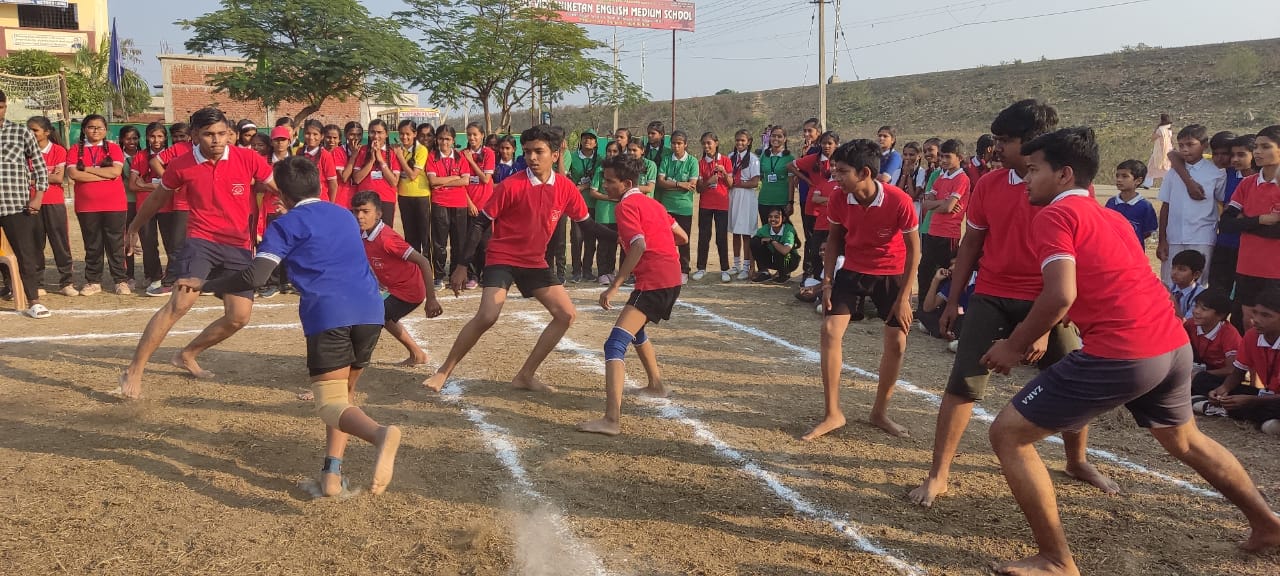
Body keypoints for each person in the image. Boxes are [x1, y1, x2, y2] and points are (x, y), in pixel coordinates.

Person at [982, 126, 1280, 575]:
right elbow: (1109, 282)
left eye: (1033, 170)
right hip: (1171, 344)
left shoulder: (1055, 216)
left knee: (1008, 434)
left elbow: (1060, 294)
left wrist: (1014, 344)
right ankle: (1268, 523)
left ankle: (1055, 559)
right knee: (1185, 440)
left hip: (1124, 352)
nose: (1026, 180)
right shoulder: (1110, 217)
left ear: (1064, 174)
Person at [908, 100, 1115, 509]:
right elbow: (972, 244)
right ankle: (939, 474)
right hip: (992, 295)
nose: (996, 148)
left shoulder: (1070, 188)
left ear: (1034, 141)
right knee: (963, 383)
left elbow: (1078, 262)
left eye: (1006, 140)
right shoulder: (988, 184)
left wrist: (1044, 327)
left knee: (1072, 381)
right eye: (996, 139)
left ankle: (1076, 460)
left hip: (1048, 301)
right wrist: (953, 298)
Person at [194, 156, 403, 497]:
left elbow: (256, 276)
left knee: (330, 404)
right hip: (370, 310)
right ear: (318, 184)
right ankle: (331, 474)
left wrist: (205, 284)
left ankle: (380, 434)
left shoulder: (285, 224)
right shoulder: (344, 215)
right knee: (343, 398)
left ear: (282, 194)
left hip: (329, 314)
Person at [117, 107, 279, 399]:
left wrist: (300, 207)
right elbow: (157, 198)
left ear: (229, 133)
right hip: (201, 241)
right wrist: (133, 227)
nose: (216, 140)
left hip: (239, 246)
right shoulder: (182, 165)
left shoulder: (248, 158)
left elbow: (278, 188)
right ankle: (134, 370)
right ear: (194, 135)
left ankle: (187, 354)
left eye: (221, 133)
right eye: (208, 134)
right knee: (179, 304)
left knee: (239, 317)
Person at [422, 125, 593, 394]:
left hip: (534, 261)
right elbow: (480, 223)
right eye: (527, 152)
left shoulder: (566, 187)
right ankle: (444, 371)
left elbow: (587, 225)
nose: (532, 157)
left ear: (555, 155)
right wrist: (462, 265)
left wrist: (623, 238)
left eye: (539, 151)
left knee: (566, 315)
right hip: (503, 257)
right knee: (487, 316)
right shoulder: (511, 185)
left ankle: (525, 376)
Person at [804, 139, 919, 441]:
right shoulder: (839, 198)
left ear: (864, 173)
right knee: (830, 330)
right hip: (853, 270)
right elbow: (833, 241)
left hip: (891, 273)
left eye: (842, 172)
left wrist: (905, 297)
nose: (836, 177)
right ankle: (833, 413)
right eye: (835, 171)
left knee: (897, 343)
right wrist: (827, 282)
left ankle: (879, 413)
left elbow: (914, 251)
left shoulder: (899, 200)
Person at [577, 154, 687, 436]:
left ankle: (611, 420)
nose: (605, 185)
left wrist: (615, 285)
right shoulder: (654, 204)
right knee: (636, 330)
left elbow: (638, 245)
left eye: (610, 181)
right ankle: (656, 385)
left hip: (654, 281)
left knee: (614, 344)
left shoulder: (625, 206)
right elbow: (682, 237)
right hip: (671, 278)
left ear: (626, 184)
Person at [350, 191, 443, 366]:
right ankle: (417, 354)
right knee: (382, 315)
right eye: (356, 211)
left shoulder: (387, 239)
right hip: (393, 288)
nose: (359, 216)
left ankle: (352, 362)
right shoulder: (363, 234)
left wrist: (431, 299)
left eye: (365, 211)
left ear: (378, 214)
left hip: (409, 291)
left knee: (372, 315)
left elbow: (423, 261)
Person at [1218, 125, 1280, 331]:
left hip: (1276, 270)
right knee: (1249, 322)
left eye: (1265, 147)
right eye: (1256, 147)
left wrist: (1244, 224)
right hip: (1248, 266)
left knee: (1272, 324)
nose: (1258, 152)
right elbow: (1226, 224)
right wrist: (1260, 220)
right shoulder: (1247, 184)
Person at [67, 114, 130, 296]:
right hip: (87, 206)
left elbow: (115, 172)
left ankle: (120, 280)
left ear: (106, 130)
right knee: (92, 245)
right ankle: (93, 281)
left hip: (114, 205)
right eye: (91, 127)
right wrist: (103, 174)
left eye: (99, 127)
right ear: (84, 129)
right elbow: (74, 174)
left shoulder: (114, 148)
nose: (95, 131)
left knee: (115, 244)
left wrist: (87, 169)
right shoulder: (75, 149)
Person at [0, 89, 50, 317]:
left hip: (16, 205)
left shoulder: (21, 132)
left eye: (1, 107)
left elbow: (39, 166)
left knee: (25, 254)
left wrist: (38, 197)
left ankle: (34, 301)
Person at [1202, 288, 1280, 434]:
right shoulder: (1252, 336)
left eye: (1266, 315)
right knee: (1203, 379)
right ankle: (1265, 420)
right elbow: (1238, 372)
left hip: (1272, 400)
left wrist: (1250, 400)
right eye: (1255, 312)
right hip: (1267, 396)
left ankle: (1211, 407)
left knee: (1258, 404)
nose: (1256, 319)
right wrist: (1223, 390)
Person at [1157, 124, 1223, 286]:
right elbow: (1165, 206)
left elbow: (1222, 203)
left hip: (1202, 237)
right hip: (1174, 237)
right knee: (1170, 282)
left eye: (1190, 144)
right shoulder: (1173, 173)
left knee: (1198, 283)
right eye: (1181, 145)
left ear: (1204, 145)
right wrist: (1162, 240)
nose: (1185, 149)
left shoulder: (1216, 173)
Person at [916, 139, 970, 312]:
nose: (943, 160)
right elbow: (926, 204)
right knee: (925, 271)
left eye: (948, 156)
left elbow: (947, 208)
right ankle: (923, 308)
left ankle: (943, 308)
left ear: (960, 157)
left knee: (946, 272)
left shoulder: (962, 179)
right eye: (942, 156)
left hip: (948, 234)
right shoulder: (940, 177)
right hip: (933, 230)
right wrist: (943, 202)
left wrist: (940, 204)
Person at [143, 123, 194, 297]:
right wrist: (170, 180)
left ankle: (203, 280)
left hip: (208, 204)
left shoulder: (215, 149)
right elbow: (154, 161)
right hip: (183, 204)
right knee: (177, 244)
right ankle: (170, 282)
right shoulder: (180, 148)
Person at [27, 116, 74, 297]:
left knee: (60, 243)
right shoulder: (24, 151)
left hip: (54, 202)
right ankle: (38, 283)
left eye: (35, 130)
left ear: (46, 132)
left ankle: (66, 282)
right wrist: (46, 175)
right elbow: (22, 177)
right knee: (35, 244)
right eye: (28, 130)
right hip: (32, 202)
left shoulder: (58, 150)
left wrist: (32, 177)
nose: (31, 133)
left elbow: (58, 178)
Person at [425, 124, 471, 290]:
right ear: (437, 139)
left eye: (447, 139)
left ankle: (455, 275)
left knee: (459, 243)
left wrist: (443, 182)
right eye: (441, 139)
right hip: (440, 203)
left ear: (453, 140)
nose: (444, 142)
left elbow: (465, 181)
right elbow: (433, 181)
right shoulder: (432, 157)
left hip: (459, 204)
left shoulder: (460, 157)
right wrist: (454, 178)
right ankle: (438, 276)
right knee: (439, 243)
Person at [790, 132, 839, 282]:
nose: (826, 146)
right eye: (824, 143)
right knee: (812, 241)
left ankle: (832, 276)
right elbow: (790, 166)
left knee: (833, 242)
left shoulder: (842, 160)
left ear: (837, 144)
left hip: (835, 212)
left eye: (830, 143)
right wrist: (807, 180)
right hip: (813, 207)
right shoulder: (813, 159)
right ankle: (809, 272)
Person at [128, 122, 170, 294]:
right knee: (148, 243)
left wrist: (144, 185)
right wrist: (155, 186)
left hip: (168, 205)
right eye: (152, 136)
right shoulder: (140, 156)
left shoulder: (171, 155)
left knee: (171, 243)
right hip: (145, 206)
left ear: (165, 138)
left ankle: (171, 276)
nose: (156, 140)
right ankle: (154, 276)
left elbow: (174, 185)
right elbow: (133, 185)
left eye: (160, 136)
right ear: (147, 137)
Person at [1182, 290, 1244, 403]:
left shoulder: (1229, 334)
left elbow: (1231, 370)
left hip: (1219, 377)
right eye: (1196, 306)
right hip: (1197, 369)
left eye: (1204, 309)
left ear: (1220, 315)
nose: (1196, 311)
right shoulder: (1190, 325)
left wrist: (1201, 374)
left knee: (1201, 380)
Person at [656, 130, 698, 284]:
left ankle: (684, 270)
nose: (676, 146)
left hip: (684, 207)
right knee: (666, 240)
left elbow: (691, 185)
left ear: (685, 144)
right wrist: (680, 184)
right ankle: (668, 269)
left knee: (683, 239)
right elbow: (661, 182)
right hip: (667, 207)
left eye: (679, 143)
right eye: (673, 143)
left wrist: (670, 184)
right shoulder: (666, 159)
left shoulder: (692, 161)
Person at [694, 132, 733, 282]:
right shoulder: (700, 163)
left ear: (716, 143)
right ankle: (701, 268)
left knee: (721, 237)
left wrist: (724, 172)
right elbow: (699, 189)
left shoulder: (725, 160)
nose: (706, 146)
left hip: (722, 205)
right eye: (704, 143)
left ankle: (725, 269)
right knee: (704, 236)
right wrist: (709, 181)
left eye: (709, 143)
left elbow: (730, 184)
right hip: (706, 204)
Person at [461, 122, 496, 287]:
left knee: (485, 244)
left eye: (475, 134)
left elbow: (486, 179)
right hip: (469, 205)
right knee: (470, 242)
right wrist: (469, 204)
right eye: (469, 134)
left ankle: (486, 274)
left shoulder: (489, 153)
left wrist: (471, 161)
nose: (472, 137)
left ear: (482, 135)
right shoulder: (462, 154)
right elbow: (461, 183)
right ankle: (473, 276)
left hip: (486, 206)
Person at [567, 130, 601, 283]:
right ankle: (576, 271)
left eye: (592, 139)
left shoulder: (599, 159)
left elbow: (600, 178)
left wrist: (584, 186)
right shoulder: (572, 157)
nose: (588, 140)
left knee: (590, 239)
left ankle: (587, 270)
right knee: (576, 238)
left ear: (596, 143)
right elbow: (565, 176)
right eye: (585, 138)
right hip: (577, 204)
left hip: (594, 203)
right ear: (581, 141)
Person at [352, 119, 400, 226]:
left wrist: (380, 159)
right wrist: (372, 160)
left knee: (384, 232)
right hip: (364, 199)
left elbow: (394, 182)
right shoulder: (362, 151)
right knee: (364, 232)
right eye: (372, 132)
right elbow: (357, 179)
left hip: (385, 199)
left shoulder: (393, 152)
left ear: (386, 134)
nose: (376, 136)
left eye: (379, 132)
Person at [394, 119, 432, 255]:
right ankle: (413, 265)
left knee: (424, 234)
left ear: (415, 134)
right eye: (401, 134)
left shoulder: (421, 150)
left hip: (421, 196)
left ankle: (427, 265)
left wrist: (400, 157)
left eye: (408, 134)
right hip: (404, 196)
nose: (404, 137)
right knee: (410, 235)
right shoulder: (398, 149)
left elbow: (413, 175)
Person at [727, 129, 761, 280]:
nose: (739, 143)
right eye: (737, 140)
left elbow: (754, 182)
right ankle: (736, 265)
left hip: (746, 197)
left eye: (743, 140)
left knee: (746, 232)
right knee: (735, 231)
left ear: (749, 142)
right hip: (733, 196)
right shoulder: (730, 157)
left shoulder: (753, 159)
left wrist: (737, 183)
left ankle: (746, 267)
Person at [590, 141, 624, 285]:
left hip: (617, 214)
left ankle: (610, 271)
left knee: (614, 244)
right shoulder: (600, 170)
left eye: (615, 151)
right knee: (603, 245)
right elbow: (593, 192)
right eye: (609, 151)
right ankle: (602, 273)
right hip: (603, 213)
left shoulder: (622, 171)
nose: (611, 154)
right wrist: (610, 198)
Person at [1105, 159, 1158, 248]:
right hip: (1113, 250)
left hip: (1135, 251)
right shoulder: (1111, 203)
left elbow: (1147, 231)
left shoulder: (1145, 206)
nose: (1119, 180)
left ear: (1138, 181)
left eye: (1125, 176)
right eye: (1117, 176)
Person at [119, 126, 142, 288]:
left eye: (135, 138)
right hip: (126, 202)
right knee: (128, 238)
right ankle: (129, 275)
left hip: (145, 201)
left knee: (147, 239)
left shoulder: (144, 156)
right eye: (128, 138)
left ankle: (152, 274)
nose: (132, 142)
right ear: (122, 140)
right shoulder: (117, 158)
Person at [750, 207, 799, 283]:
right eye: (770, 217)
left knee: (779, 248)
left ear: (783, 219)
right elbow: (752, 246)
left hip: (790, 261)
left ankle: (784, 273)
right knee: (755, 241)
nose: (773, 219)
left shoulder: (788, 230)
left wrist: (772, 241)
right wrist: (752, 267)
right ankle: (764, 272)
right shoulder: (765, 228)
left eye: (776, 217)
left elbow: (785, 251)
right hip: (774, 259)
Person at [757, 126, 795, 223]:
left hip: (782, 201)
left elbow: (791, 182)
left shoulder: (789, 158)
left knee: (781, 230)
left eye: (779, 136)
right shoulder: (764, 156)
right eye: (773, 136)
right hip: (764, 200)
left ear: (785, 139)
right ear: (769, 138)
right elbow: (760, 176)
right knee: (766, 229)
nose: (776, 139)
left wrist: (790, 202)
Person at [299, 119, 339, 202]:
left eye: (315, 134)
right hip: (302, 199)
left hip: (320, 200)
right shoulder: (299, 152)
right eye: (308, 133)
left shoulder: (325, 155)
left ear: (322, 136)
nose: (311, 137)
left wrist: (330, 205)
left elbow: (333, 184)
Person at [1167, 249, 1206, 320]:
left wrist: (1171, 298)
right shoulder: (1169, 287)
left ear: (1196, 274)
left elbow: (1186, 323)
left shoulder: (1201, 295)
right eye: (1173, 268)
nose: (1174, 272)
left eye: (1181, 269)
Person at [333, 121, 363, 207]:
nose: (355, 138)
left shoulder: (364, 151)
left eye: (359, 135)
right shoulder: (338, 151)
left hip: (360, 198)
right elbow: (344, 177)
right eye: (352, 134)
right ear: (346, 134)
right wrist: (353, 156)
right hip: (342, 198)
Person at [1145, 113, 1174, 187]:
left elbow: (1153, 138)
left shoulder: (1160, 130)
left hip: (1159, 151)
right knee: (1166, 167)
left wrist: (1155, 129)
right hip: (1168, 150)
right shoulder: (1169, 130)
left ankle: (1147, 183)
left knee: (1152, 165)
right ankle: (1168, 183)